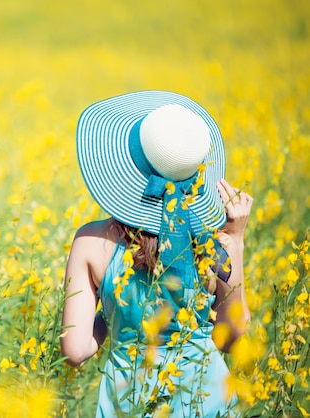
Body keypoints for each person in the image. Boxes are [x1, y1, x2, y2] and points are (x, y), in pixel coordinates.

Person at [60, 91, 253, 417]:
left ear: (125, 168)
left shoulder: (91, 241)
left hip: (130, 401)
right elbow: (232, 339)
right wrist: (235, 239)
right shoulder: (213, 243)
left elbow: (76, 350)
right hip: (206, 400)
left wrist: (109, 323)